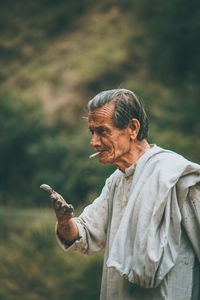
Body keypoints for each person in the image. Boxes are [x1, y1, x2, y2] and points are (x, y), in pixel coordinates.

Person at [41, 89, 200, 300]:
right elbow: (85, 234)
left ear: (133, 128)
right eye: (92, 132)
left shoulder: (175, 175)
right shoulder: (117, 181)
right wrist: (64, 221)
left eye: (103, 131)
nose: (94, 142)